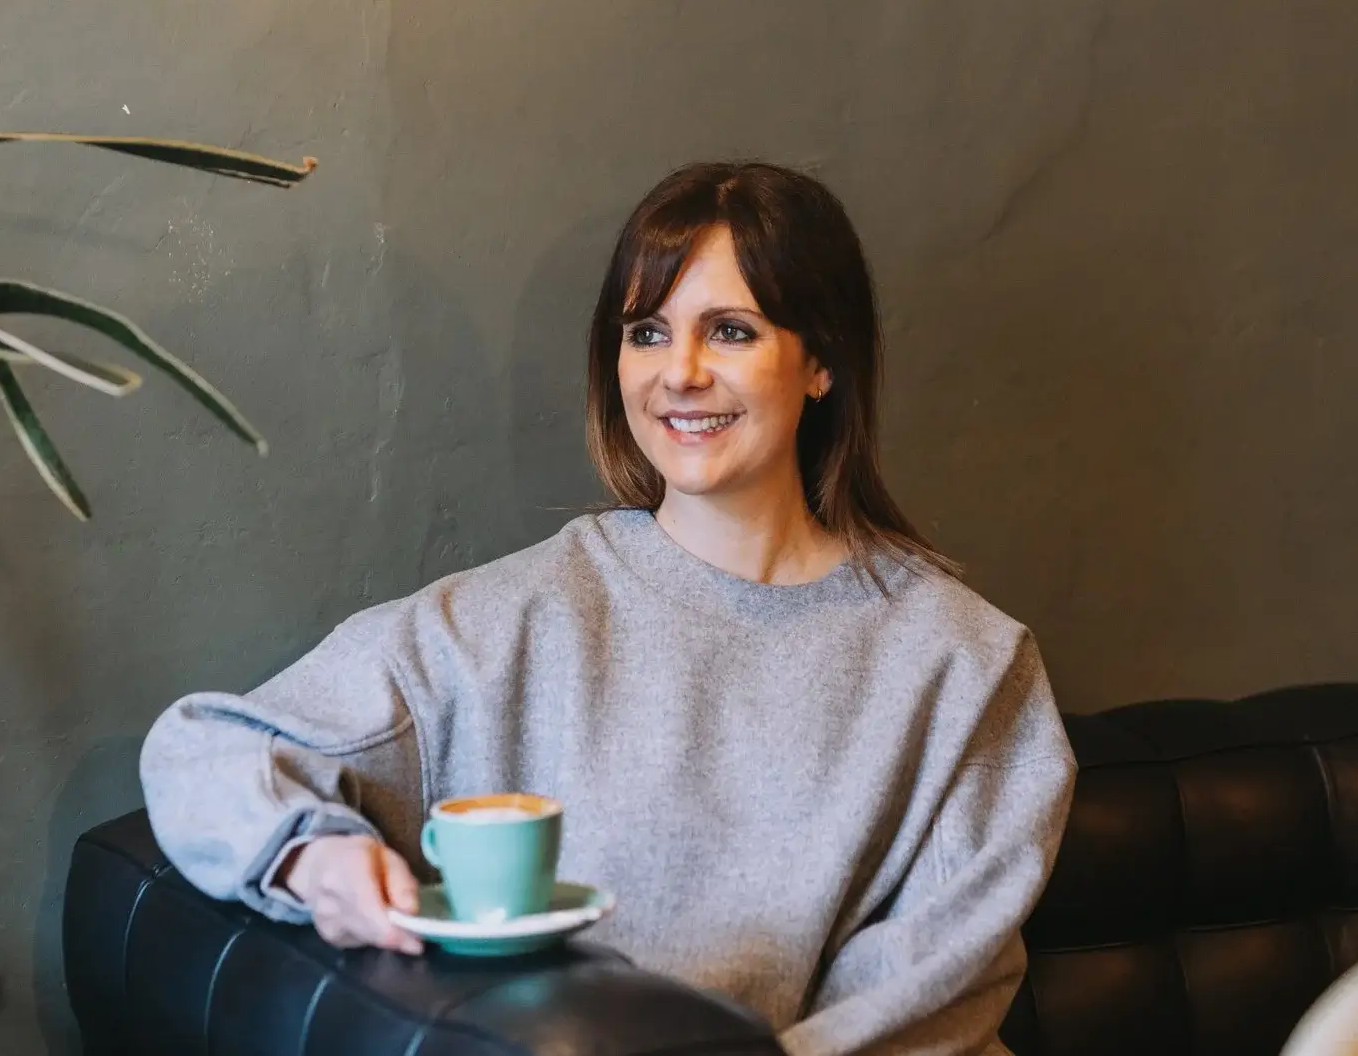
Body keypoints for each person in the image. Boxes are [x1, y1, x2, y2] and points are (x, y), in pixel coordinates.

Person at [141, 162, 1076, 1055]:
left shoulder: (967, 663)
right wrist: (314, 858)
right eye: (648, 332)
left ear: (821, 361)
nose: (680, 373)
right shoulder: (505, 622)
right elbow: (205, 749)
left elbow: (927, 1004)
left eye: (733, 331)